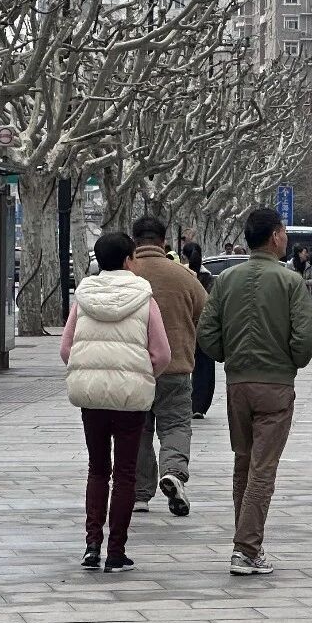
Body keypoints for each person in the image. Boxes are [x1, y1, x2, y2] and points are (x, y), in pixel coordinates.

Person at [197, 207, 312, 577]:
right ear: (275, 236)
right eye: (283, 232)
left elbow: (206, 333)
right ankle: (246, 549)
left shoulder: (226, 280)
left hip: (238, 383)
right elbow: (305, 337)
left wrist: (228, 356)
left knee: (244, 462)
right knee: (262, 468)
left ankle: (247, 543)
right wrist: (290, 360)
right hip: (276, 384)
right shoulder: (290, 281)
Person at [60, 231, 172, 572]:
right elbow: (162, 354)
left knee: (97, 469)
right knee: (125, 474)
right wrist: (142, 374)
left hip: (91, 397)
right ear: (128, 260)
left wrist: (88, 371)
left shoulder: (83, 297)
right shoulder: (145, 298)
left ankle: (91, 545)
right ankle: (116, 552)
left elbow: (66, 349)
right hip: (130, 398)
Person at [129, 215, 207, 517]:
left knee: (138, 430)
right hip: (175, 368)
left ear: (134, 240)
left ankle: (139, 494)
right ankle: (173, 471)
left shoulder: (126, 274)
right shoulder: (184, 276)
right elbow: (206, 314)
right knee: (175, 425)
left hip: (134, 369)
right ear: (164, 242)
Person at [182, 242, 216, 420]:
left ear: (183, 256)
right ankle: (199, 406)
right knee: (204, 368)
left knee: (180, 368)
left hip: (182, 328)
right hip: (204, 330)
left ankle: (183, 403)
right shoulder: (209, 278)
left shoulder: (180, 275)